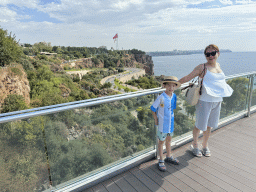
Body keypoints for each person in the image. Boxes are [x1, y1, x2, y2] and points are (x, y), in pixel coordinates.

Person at [178, 44, 233, 157]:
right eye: (207, 54)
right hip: (204, 101)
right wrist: (172, 85)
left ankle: (205, 145)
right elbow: (187, 78)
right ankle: (195, 145)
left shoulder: (218, 66)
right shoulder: (201, 67)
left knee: (209, 126)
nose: (210, 56)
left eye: (213, 53)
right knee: (199, 125)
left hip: (217, 101)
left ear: (218, 53)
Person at [151, 76, 180, 172]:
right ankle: (161, 159)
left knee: (169, 140)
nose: (171, 88)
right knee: (161, 142)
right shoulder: (161, 97)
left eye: (173, 86)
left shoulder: (174, 96)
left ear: (175, 87)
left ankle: (169, 156)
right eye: (169, 86)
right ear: (164, 86)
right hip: (162, 125)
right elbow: (153, 108)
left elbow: (172, 109)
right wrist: (156, 120)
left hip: (170, 124)